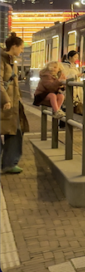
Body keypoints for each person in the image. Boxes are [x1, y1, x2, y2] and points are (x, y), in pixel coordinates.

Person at [1, 33, 31, 174]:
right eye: (21, 47)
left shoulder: (11, 61)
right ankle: (8, 163)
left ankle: (9, 163)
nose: (22, 51)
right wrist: (5, 99)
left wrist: (18, 100)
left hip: (13, 104)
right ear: (13, 46)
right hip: (5, 103)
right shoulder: (2, 60)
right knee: (13, 131)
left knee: (16, 131)